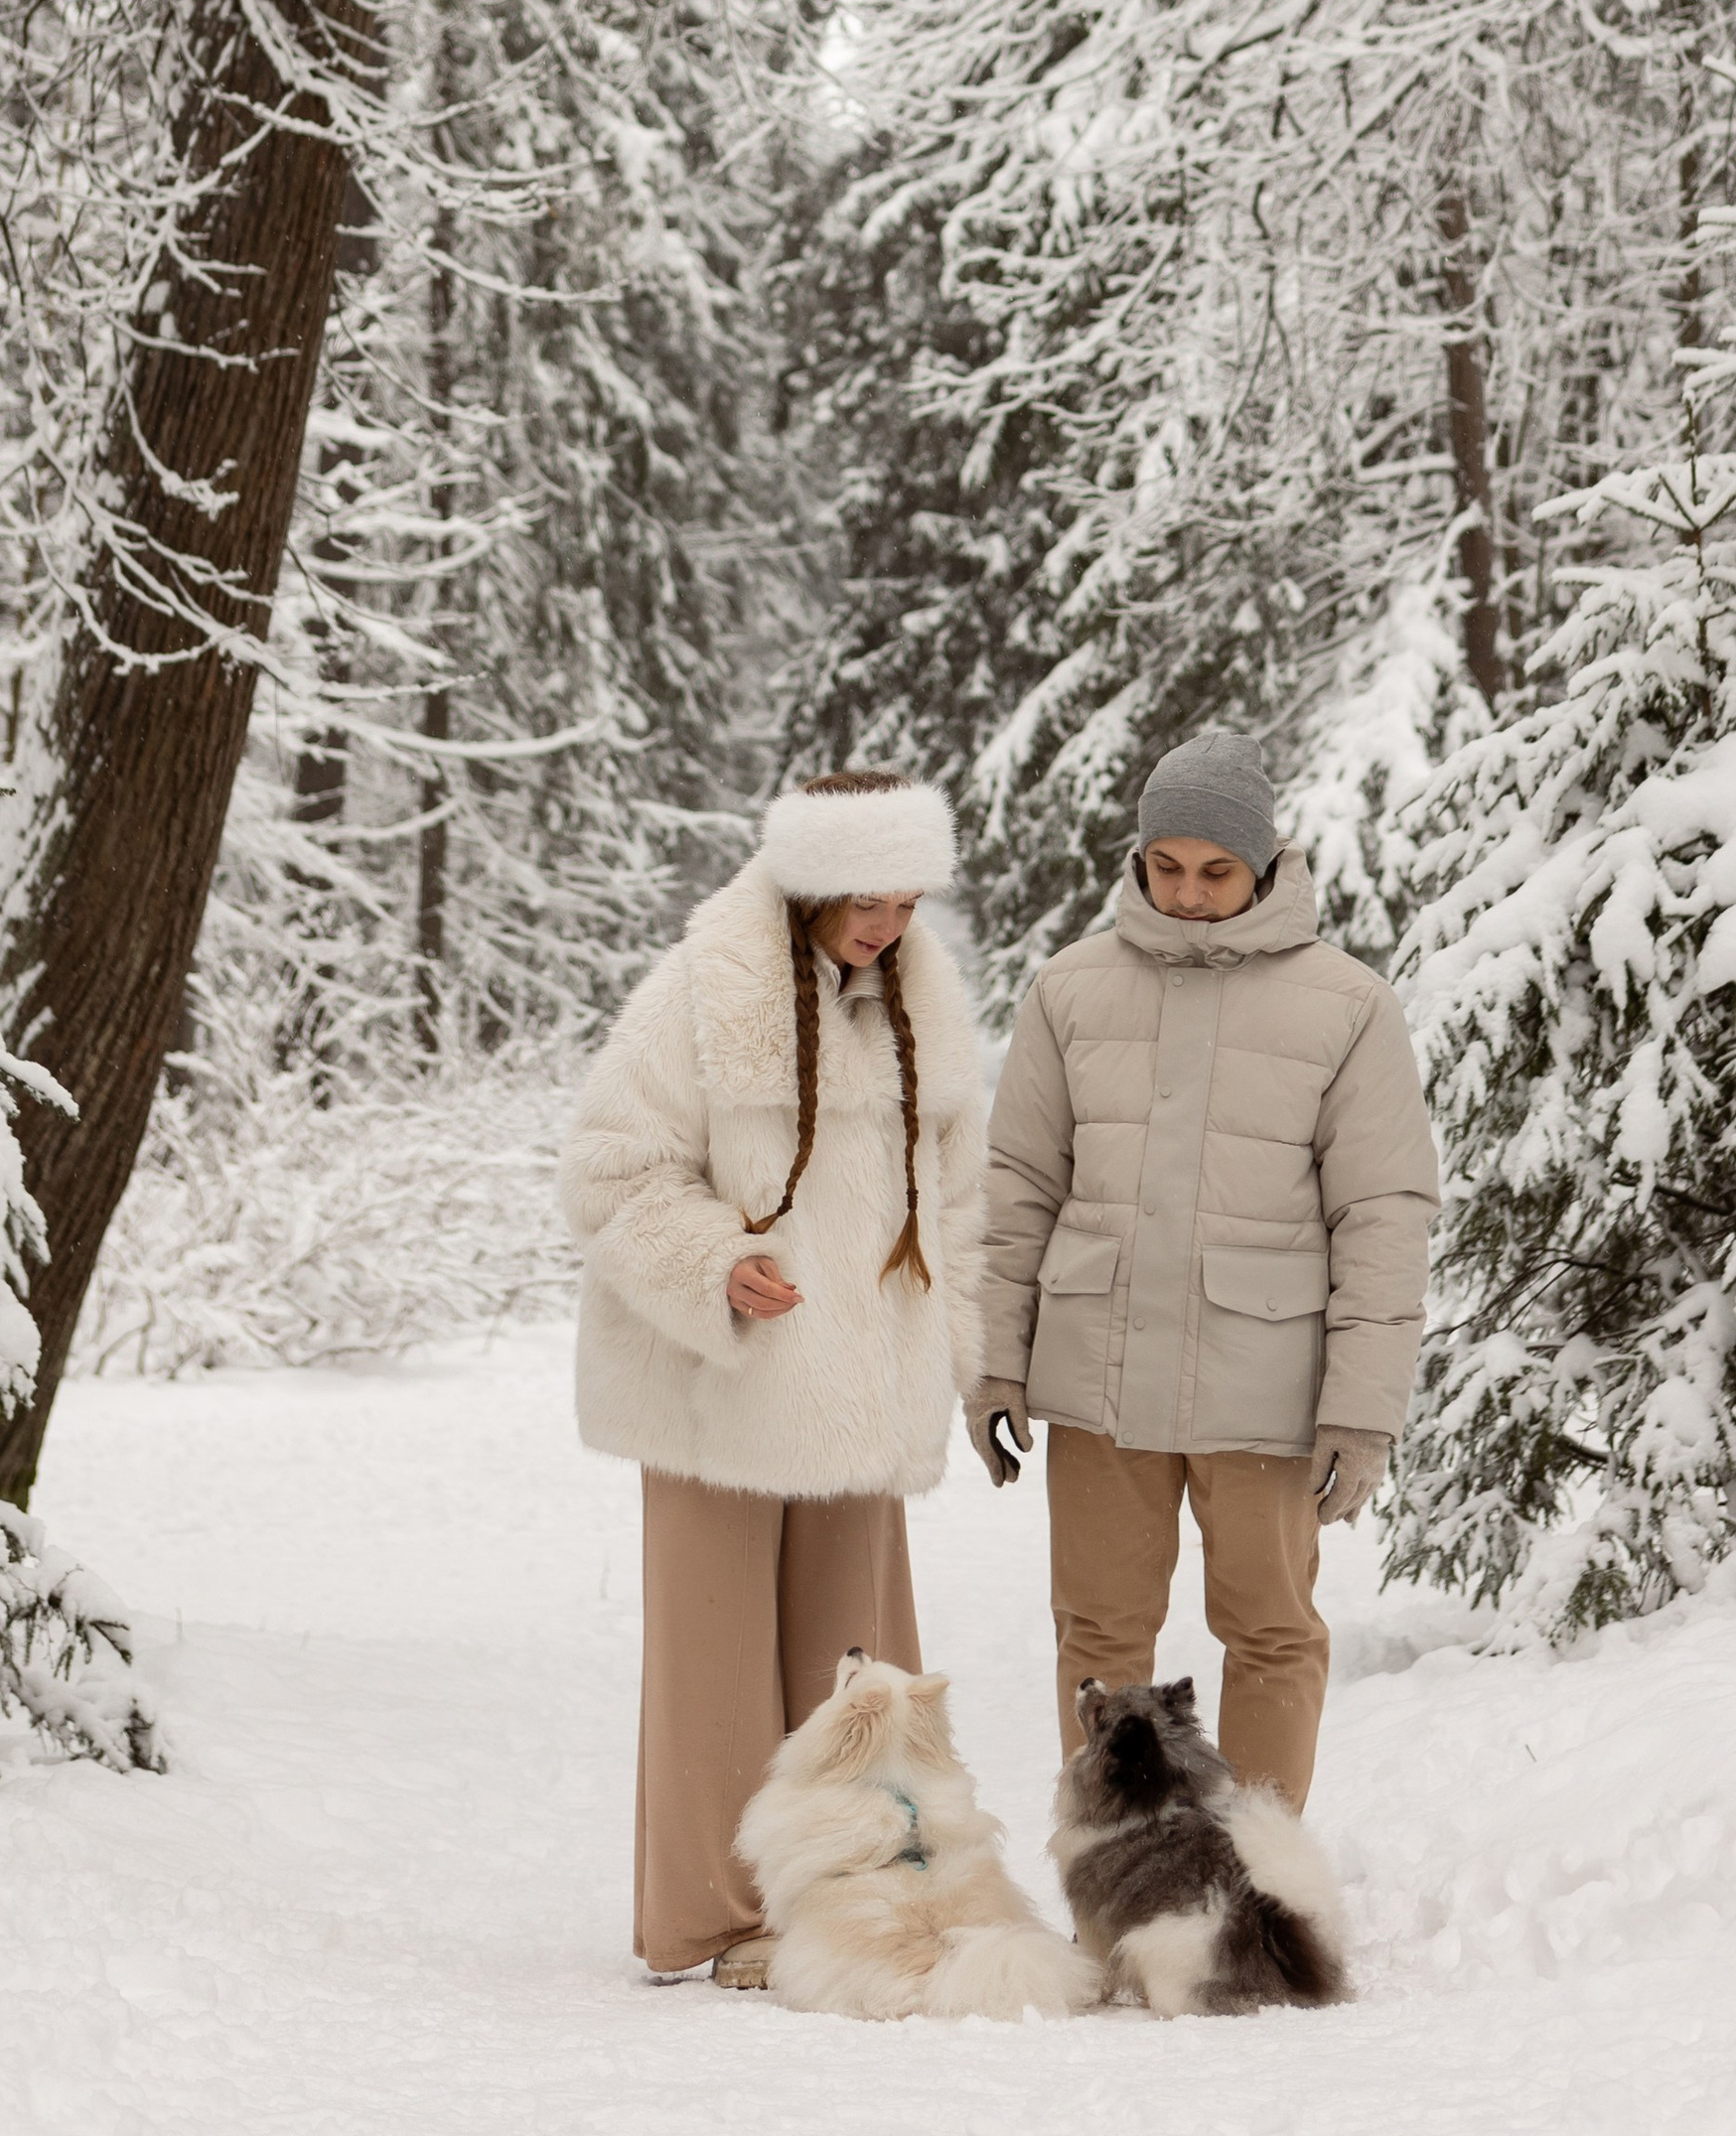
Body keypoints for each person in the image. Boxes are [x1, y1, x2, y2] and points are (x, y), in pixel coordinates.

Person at [562, 771, 984, 1987]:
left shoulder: (924, 1004)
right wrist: (714, 1265)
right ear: (808, 885)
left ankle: (860, 1897)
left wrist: (958, 1359)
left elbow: (962, 1202)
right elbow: (607, 1171)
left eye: (906, 902)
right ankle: (719, 1919)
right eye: (866, 901)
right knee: (714, 1670)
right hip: (721, 1388)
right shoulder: (700, 990)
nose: (887, 926)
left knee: (861, 1675)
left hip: (863, 1398)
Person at [967, 726, 1437, 1814]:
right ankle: (1119, 1861)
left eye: (1215, 871)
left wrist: (1361, 1408)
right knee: (1098, 1633)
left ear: (1265, 863)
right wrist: (993, 1363)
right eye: (1165, 866)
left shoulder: (1347, 1004)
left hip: (1264, 1383)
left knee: (1270, 1629)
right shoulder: (1070, 989)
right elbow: (1016, 1187)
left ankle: (1257, 1872)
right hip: (1100, 1374)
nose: (1186, 894)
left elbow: (1382, 1213)